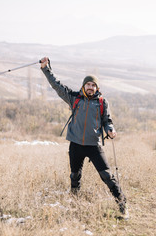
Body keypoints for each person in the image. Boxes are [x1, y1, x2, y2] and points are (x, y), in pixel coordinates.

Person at [40, 57, 128, 219]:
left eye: (93, 85)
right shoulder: (74, 98)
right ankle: (74, 207)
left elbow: (107, 121)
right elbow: (56, 85)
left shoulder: (102, 102)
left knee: (108, 176)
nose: (90, 87)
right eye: (88, 84)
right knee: (75, 177)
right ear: (83, 86)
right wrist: (46, 68)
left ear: (97, 88)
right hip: (75, 146)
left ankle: (123, 205)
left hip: (93, 146)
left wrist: (110, 130)